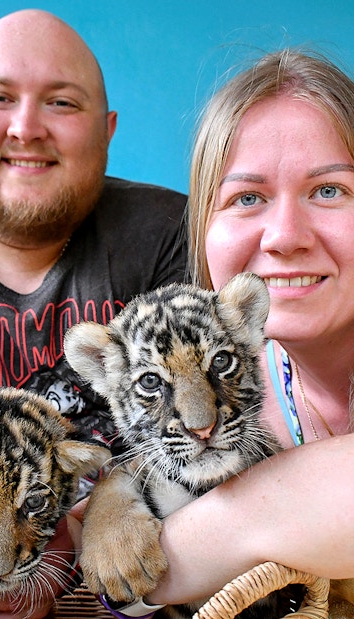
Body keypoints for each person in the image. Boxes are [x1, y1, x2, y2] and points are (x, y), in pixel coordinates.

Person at [0, 9, 187, 618]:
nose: (26, 128)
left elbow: (209, 434)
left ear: (106, 130)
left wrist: (98, 512)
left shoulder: (172, 237)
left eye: (62, 104)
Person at [139, 48, 354, 611]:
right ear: (204, 231)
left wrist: (226, 527)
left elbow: (145, 581)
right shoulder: (220, 386)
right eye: (247, 198)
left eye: (329, 190)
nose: (285, 236)